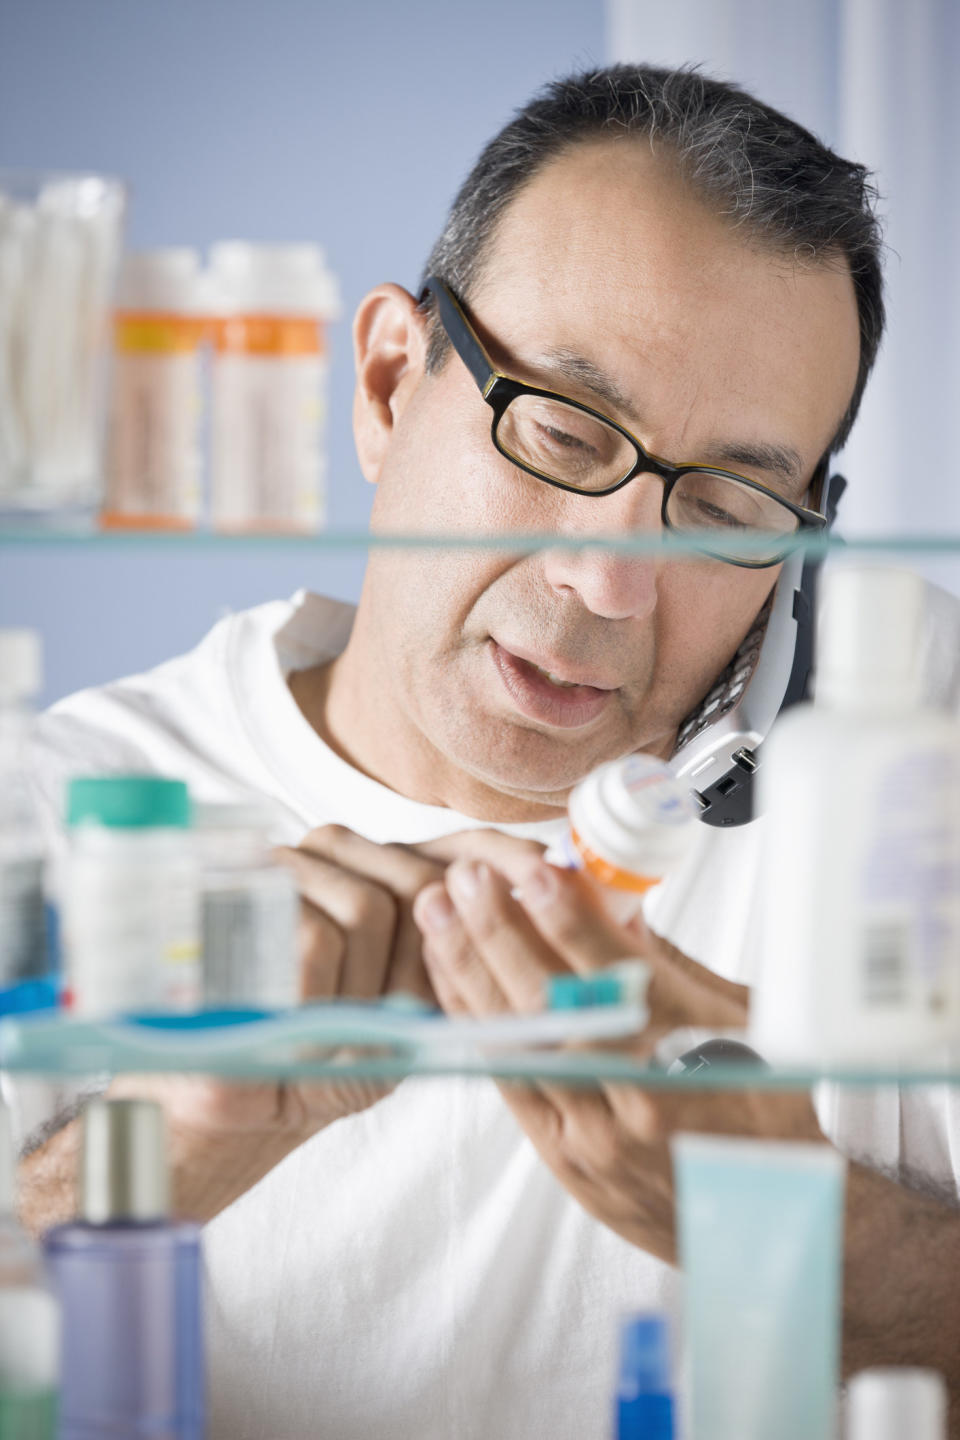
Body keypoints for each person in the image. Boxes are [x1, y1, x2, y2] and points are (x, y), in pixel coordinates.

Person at [15, 62, 960, 1439]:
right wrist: (156, 1152)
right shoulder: (52, 810)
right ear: (392, 382)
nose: (614, 583)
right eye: (568, 435)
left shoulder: (907, 774)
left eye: (733, 504)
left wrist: (811, 1222)